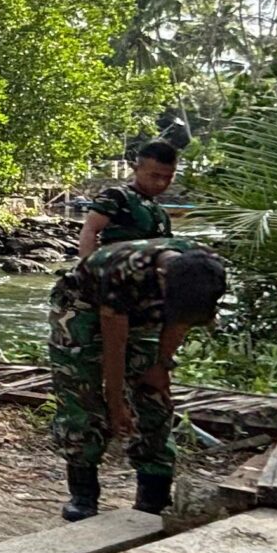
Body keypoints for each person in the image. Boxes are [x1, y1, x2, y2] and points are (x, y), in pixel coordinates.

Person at [49, 236, 228, 520]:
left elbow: (180, 320)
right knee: (79, 391)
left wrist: (161, 365)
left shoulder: (203, 270)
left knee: (154, 397)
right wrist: (115, 402)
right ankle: (83, 493)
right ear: (161, 277)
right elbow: (114, 344)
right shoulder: (125, 270)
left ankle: (153, 494)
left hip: (146, 307)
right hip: (82, 303)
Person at [75, 139, 178, 259]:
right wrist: (86, 269)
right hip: (118, 266)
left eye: (168, 177)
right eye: (155, 176)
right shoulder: (116, 197)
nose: (161, 183)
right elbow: (89, 231)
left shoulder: (161, 213)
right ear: (136, 169)